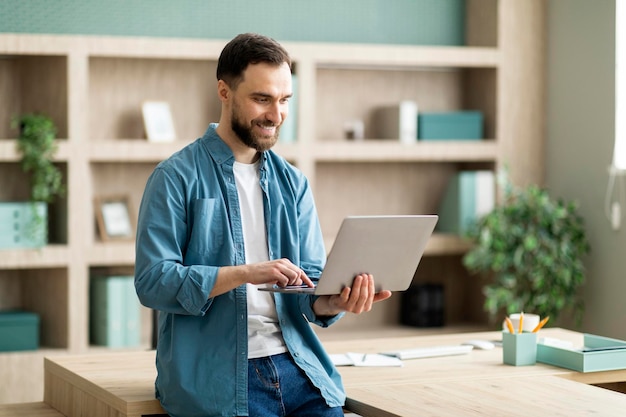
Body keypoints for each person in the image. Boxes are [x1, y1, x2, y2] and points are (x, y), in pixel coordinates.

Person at [134, 32, 392, 417]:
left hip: (300, 370)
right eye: (262, 99)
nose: (276, 115)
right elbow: (153, 281)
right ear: (224, 92)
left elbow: (311, 284)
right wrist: (244, 273)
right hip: (218, 381)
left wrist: (333, 301)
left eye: (284, 100)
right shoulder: (175, 177)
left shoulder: (294, 182)